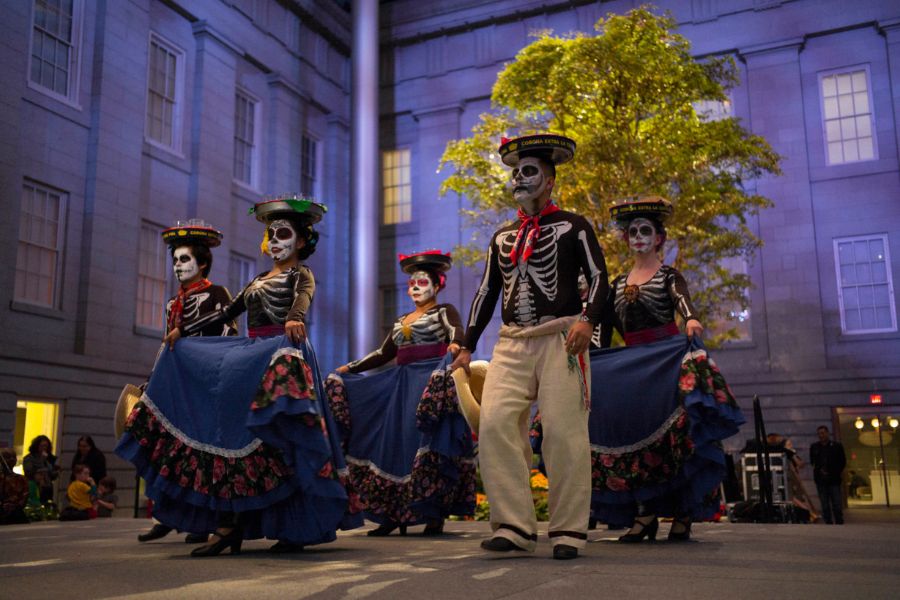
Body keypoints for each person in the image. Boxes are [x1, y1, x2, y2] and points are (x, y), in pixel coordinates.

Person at [117, 195, 361, 558]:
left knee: (286, 441)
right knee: (234, 437)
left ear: (300, 240)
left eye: (283, 233)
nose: (275, 241)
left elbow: (303, 298)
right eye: (271, 235)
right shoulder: (258, 279)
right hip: (252, 354)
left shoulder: (301, 274)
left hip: (285, 351)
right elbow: (227, 313)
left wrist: (295, 317)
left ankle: (293, 526)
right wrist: (183, 331)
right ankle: (229, 525)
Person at [450, 134, 608, 560]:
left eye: (530, 171)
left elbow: (599, 280)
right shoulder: (502, 236)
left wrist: (587, 321)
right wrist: (466, 344)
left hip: (562, 338)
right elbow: (486, 292)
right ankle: (515, 525)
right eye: (516, 172)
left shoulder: (575, 227)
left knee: (563, 431)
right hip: (512, 342)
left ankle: (569, 530)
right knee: (496, 422)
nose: (519, 178)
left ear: (550, 180)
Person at [587, 196, 745, 542]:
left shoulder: (669, 275)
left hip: (666, 363)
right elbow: (601, 331)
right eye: (632, 231)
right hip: (632, 370)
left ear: (660, 237)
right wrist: (590, 361)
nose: (639, 236)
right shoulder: (614, 285)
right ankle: (644, 515)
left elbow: (682, 301)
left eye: (646, 230)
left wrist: (690, 319)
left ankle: (684, 514)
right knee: (634, 439)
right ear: (626, 239)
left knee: (677, 440)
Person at [330, 250, 475, 536]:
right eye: (412, 283)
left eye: (422, 282)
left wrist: (456, 347)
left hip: (429, 382)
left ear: (437, 284)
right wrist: (350, 368)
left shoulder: (443, 310)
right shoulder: (401, 320)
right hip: (400, 384)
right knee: (393, 443)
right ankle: (393, 514)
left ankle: (433, 512)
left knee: (421, 441)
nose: (416, 288)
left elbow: (456, 331)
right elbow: (384, 353)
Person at [135, 220, 236, 545]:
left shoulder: (218, 294)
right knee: (167, 450)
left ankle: (201, 521)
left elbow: (228, 335)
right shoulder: (172, 303)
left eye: (184, 260)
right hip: (175, 384)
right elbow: (168, 347)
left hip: (204, 383)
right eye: (175, 260)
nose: (177, 266)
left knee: (202, 454)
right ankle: (164, 513)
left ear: (202, 262)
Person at [767, 433, 818, 523]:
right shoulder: (782, 453)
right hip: (787, 479)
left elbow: (800, 464)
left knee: (798, 497)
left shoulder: (791, 453)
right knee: (792, 498)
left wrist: (793, 455)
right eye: (789, 444)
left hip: (794, 478)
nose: (791, 446)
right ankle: (808, 512)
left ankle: (807, 514)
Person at [810, 425, 846, 524]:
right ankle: (828, 521)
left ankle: (839, 520)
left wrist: (834, 471)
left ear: (827, 433)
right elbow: (813, 461)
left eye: (823, 433)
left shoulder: (836, 446)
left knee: (836, 502)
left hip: (834, 479)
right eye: (819, 434)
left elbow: (842, 462)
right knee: (824, 503)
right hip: (821, 479)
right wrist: (819, 471)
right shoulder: (814, 447)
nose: (821, 435)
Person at [22, 435, 61, 503]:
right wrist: (41, 461)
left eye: (46, 446)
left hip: (47, 488)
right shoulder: (29, 458)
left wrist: (56, 472)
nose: (44, 448)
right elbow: (29, 472)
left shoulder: (49, 458)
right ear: (36, 446)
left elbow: (51, 475)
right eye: (42, 446)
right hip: (35, 487)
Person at [1, 448, 29, 525]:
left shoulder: (21, 479)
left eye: (13, 457)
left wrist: (15, 507)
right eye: (7, 457)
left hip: (16, 514)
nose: (11, 459)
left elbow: (24, 497)